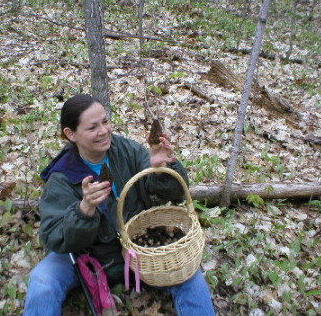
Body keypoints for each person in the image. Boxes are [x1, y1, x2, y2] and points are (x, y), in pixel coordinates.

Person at [23, 94, 215, 316]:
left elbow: (175, 193)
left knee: (188, 274)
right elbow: (53, 237)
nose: (104, 131)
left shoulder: (126, 150)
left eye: (105, 121)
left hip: (137, 249)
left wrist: (162, 169)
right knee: (42, 280)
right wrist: (84, 211)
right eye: (92, 127)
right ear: (71, 134)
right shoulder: (62, 178)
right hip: (87, 254)